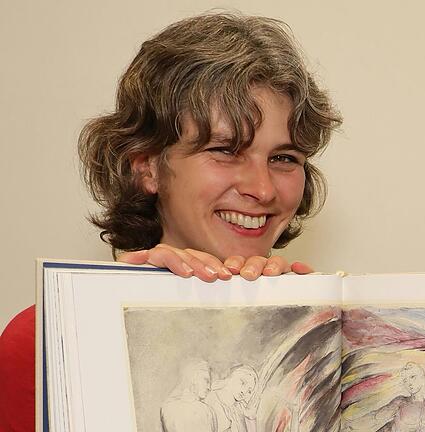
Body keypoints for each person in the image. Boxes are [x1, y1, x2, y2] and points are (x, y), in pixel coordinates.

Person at [0, 12, 341, 432]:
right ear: (148, 168)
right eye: (226, 150)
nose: (263, 189)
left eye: (284, 158)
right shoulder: (48, 341)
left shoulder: (333, 337)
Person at [161, 359, 217, 432]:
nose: (209, 387)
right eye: (206, 380)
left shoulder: (167, 407)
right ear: (193, 378)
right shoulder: (205, 411)